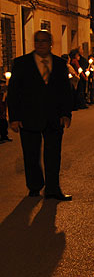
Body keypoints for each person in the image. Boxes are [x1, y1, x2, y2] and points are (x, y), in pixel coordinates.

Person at [7, 30, 73, 201]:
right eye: (37, 41)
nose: (40, 44)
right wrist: (13, 118)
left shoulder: (59, 64)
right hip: (28, 117)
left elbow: (65, 91)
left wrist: (66, 114)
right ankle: (34, 186)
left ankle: (53, 189)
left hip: (53, 117)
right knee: (31, 154)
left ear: (51, 43)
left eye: (44, 41)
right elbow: (14, 92)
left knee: (53, 155)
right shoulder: (21, 63)